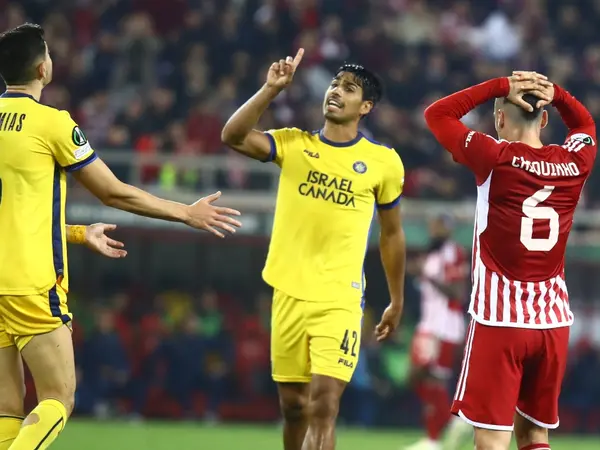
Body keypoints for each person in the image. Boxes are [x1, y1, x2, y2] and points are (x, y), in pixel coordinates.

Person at [0, 23, 241, 450]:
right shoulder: (52, 123)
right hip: (29, 283)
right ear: (42, 69)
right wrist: (185, 212)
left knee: (6, 407)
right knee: (58, 398)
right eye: (49, 54)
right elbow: (112, 192)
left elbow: (13, 215)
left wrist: (77, 233)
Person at [222, 49, 406, 450]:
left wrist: (396, 299)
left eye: (349, 88)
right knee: (294, 407)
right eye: (334, 84)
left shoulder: (383, 162)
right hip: (288, 292)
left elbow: (391, 234)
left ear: (366, 107)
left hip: (340, 298)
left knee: (324, 405)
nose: (336, 91)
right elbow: (232, 136)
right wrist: (270, 90)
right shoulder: (293, 144)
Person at [424, 71, 597, 450]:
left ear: (500, 118)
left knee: (491, 439)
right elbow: (585, 125)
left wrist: (500, 86)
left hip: (499, 320)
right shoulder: (575, 162)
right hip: (553, 323)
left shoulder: (494, 156)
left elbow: (437, 114)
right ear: (545, 118)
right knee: (535, 435)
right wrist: (557, 93)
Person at [404, 214, 471, 450]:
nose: (434, 231)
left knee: (434, 378)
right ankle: (452, 423)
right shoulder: (432, 252)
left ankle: (433, 438)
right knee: (416, 376)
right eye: (432, 226)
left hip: (444, 325)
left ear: (448, 229)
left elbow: (457, 292)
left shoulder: (452, 253)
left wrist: (426, 275)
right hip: (428, 323)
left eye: (438, 227)